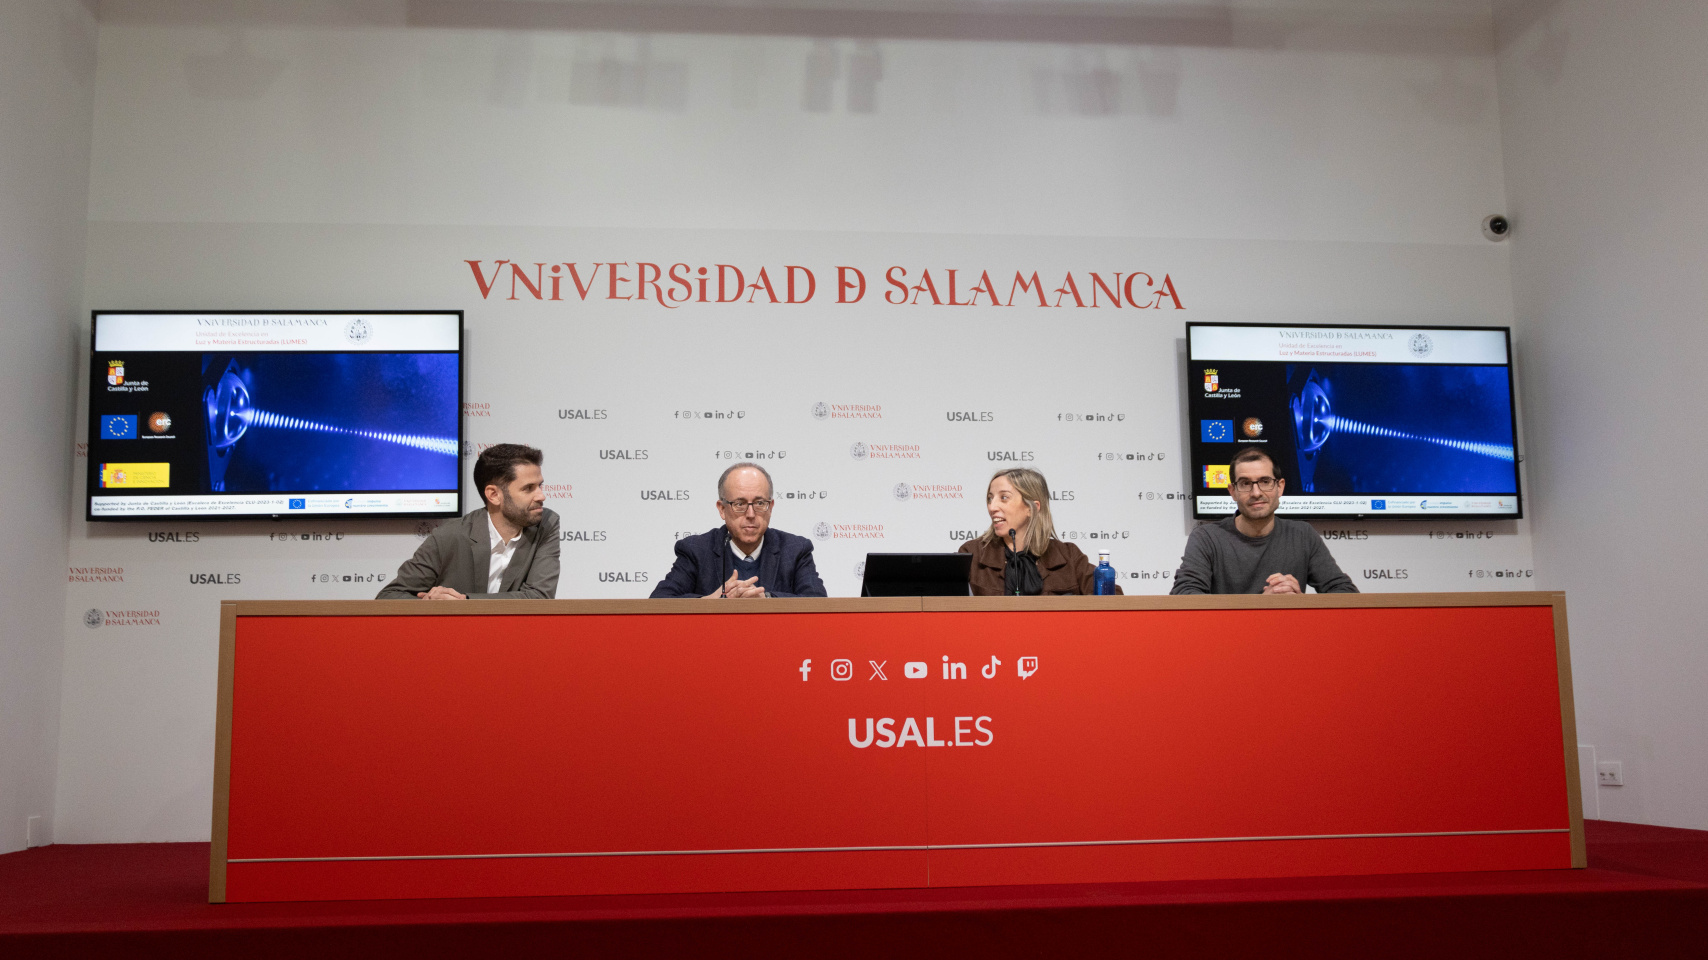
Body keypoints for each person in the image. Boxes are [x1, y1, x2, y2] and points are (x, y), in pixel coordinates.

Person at [377, 443, 560, 599]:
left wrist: (463, 601)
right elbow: (390, 595)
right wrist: (432, 603)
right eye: (529, 488)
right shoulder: (449, 536)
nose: (541, 496)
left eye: (540, 485)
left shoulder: (547, 523)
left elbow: (538, 596)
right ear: (494, 495)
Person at [1170, 445, 1356, 595]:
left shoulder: (1303, 535)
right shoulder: (1207, 537)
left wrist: (1300, 603)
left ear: (1280, 487)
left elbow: (1345, 592)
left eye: (1265, 481)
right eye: (1245, 484)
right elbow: (1184, 594)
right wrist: (1262, 606)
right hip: (1227, 638)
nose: (1256, 493)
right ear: (1232, 492)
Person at [650, 462, 827, 599]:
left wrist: (766, 599)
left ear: (770, 507)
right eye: (740, 504)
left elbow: (818, 601)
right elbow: (660, 601)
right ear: (721, 509)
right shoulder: (696, 550)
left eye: (759, 503)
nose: (751, 514)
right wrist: (713, 600)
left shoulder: (795, 549)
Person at [958, 467, 1118, 596]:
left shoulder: (1069, 556)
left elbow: (1113, 602)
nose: (992, 507)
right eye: (990, 498)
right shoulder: (972, 554)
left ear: (1031, 507)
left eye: (1004, 498)